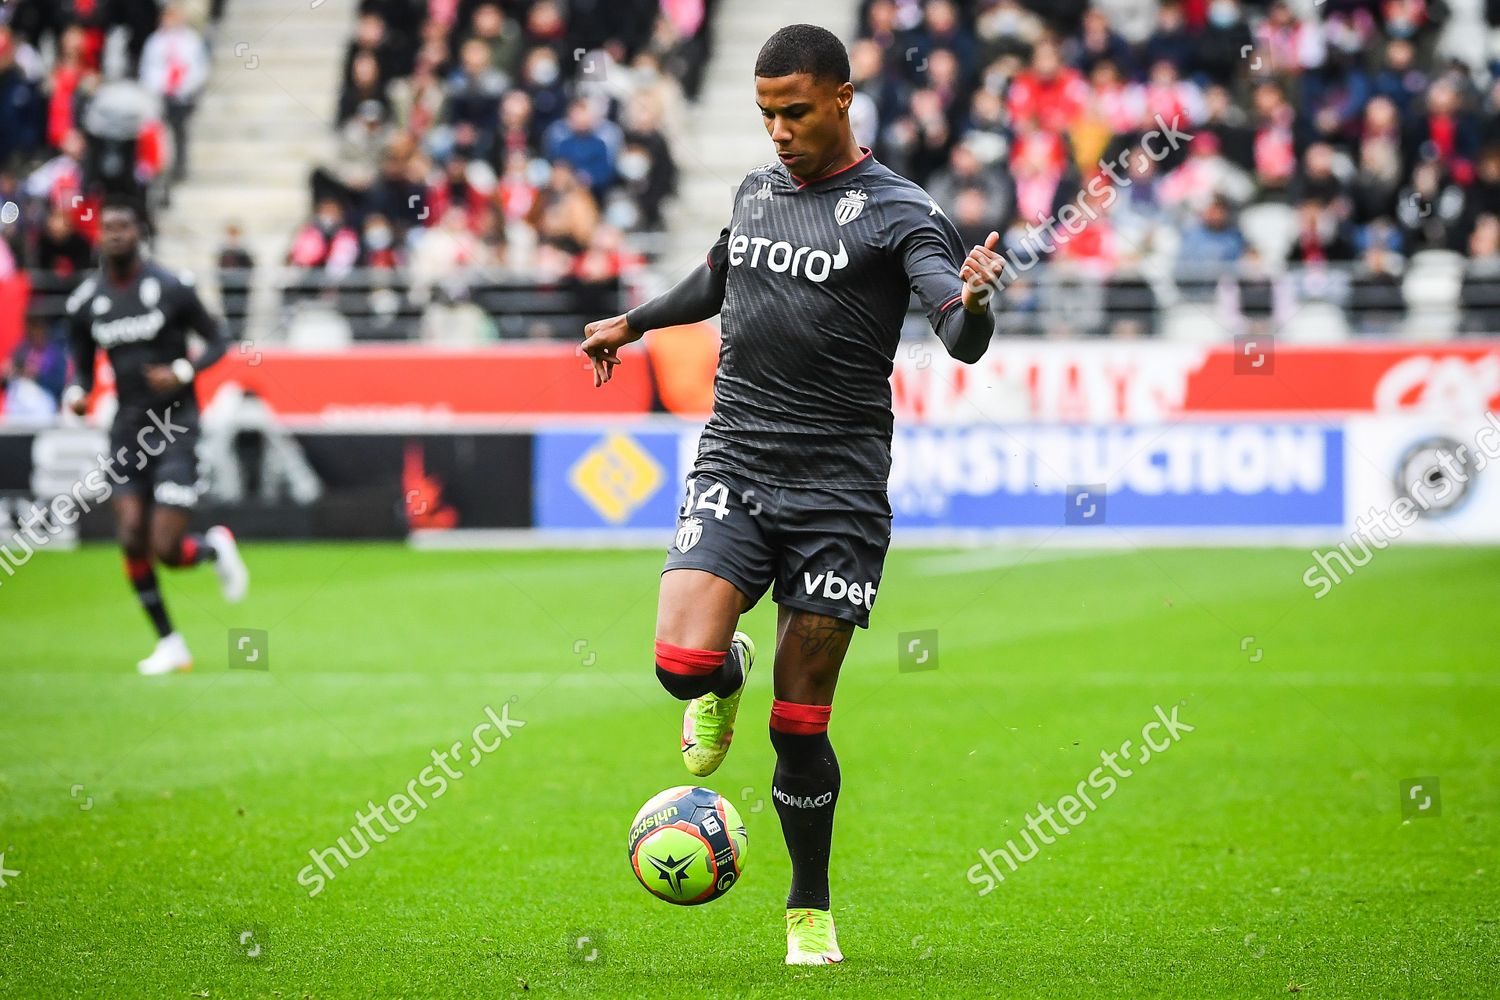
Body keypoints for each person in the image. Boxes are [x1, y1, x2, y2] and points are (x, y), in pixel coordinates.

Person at [578, 24, 1001, 967]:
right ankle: (720, 674)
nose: (778, 130)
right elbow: (722, 277)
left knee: (798, 724)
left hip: (838, 492)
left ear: (843, 99)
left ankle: (807, 906)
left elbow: (955, 330)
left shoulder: (902, 212)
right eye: (766, 112)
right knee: (676, 663)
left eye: (796, 111)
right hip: (736, 457)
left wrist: (974, 303)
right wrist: (635, 322)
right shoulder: (757, 188)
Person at [62, 195, 249, 675]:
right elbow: (81, 369)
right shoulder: (85, 303)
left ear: (139, 232)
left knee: (166, 548)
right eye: (108, 228)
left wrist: (184, 370)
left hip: (175, 426)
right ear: (98, 236)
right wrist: (79, 392)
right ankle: (171, 644)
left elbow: (221, 339)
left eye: (124, 226)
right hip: (126, 430)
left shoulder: (171, 287)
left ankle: (211, 548)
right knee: (128, 536)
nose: (115, 234)